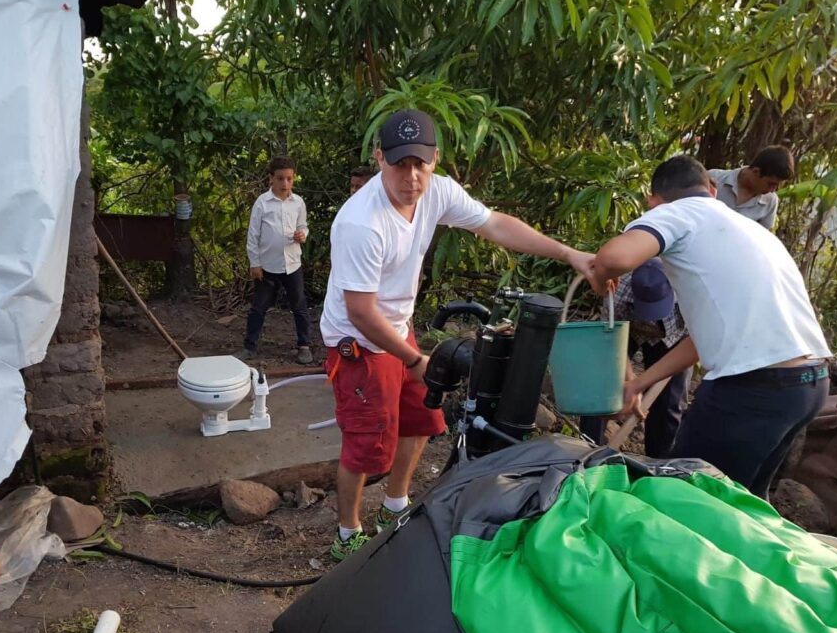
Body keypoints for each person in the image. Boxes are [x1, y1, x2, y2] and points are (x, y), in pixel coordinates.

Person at [321, 108, 598, 560]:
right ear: (379, 159)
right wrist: (413, 360)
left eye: (420, 163)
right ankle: (347, 534)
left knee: (423, 418)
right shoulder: (361, 223)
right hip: (358, 342)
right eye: (399, 163)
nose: (411, 176)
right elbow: (360, 311)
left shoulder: (436, 192)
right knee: (366, 444)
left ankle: (395, 507)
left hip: (396, 327)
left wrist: (569, 254)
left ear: (434, 159)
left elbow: (495, 224)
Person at [593, 155, 831, 500]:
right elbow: (699, 342)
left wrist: (601, 278)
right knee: (744, 504)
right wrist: (639, 384)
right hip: (808, 386)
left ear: (653, 201)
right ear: (713, 189)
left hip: (756, 388)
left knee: (684, 500)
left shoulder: (676, 212)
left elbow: (614, 259)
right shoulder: (752, 231)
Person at [578, 259, 691, 457]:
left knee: (669, 405)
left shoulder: (690, 292)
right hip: (626, 330)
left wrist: (642, 383)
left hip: (674, 340)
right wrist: (632, 382)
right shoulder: (619, 289)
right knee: (600, 386)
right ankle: (585, 452)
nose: (650, 317)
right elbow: (611, 338)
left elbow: (693, 344)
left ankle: (658, 466)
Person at [240, 156, 313, 364]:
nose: (285, 184)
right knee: (259, 306)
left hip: (292, 264)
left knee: (299, 305)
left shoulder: (298, 202)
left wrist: (302, 234)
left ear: (294, 178)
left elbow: (303, 226)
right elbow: (253, 234)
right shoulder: (262, 203)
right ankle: (249, 347)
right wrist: (255, 262)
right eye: (280, 179)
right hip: (267, 266)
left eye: (289, 179)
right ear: (271, 178)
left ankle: (304, 346)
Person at [708, 145, 795, 230]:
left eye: (777, 186)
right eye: (770, 184)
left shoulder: (770, 202)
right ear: (756, 171)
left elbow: (761, 238)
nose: (772, 190)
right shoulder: (713, 179)